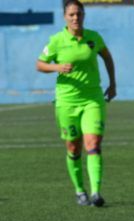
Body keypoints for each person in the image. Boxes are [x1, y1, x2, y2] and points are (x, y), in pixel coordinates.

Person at [36, 0, 116, 207]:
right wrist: (57, 67)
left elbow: (107, 57)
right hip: (67, 101)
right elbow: (40, 64)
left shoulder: (94, 37)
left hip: (92, 99)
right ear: (65, 17)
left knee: (94, 144)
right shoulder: (56, 41)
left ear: (84, 15)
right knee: (73, 147)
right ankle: (80, 191)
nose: (75, 18)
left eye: (78, 14)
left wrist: (113, 83)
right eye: (71, 14)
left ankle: (96, 193)